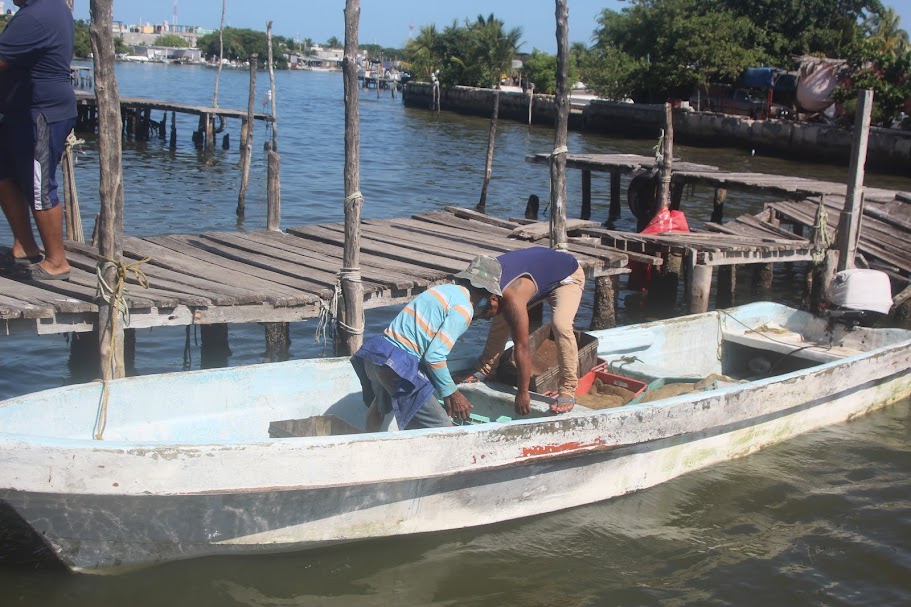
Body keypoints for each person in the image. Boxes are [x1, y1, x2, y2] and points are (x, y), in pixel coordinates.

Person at [351, 268, 501, 432]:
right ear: (487, 295)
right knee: (442, 427)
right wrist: (452, 393)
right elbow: (434, 357)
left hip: (377, 355)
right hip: (399, 366)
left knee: (379, 408)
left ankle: (367, 448)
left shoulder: (442, 290)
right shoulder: (464, 309)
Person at [0, 0, 77, 281]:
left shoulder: (39, 14)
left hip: (42, 113)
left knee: (39, 185)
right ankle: (26, 247)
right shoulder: (42, 9)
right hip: (19, 112)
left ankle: (57, 261)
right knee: (4, 175)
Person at [460, 247, 585, 415]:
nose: (484, 318)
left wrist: (522, 392)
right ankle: (486, 368)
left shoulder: (512, 298)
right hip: (540, 275)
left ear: (493, 297)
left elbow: (522, 347)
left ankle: (568, 387)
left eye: (484, 313)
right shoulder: (480, 280)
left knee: (560, 325)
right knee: (500, 318)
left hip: (567, 276)